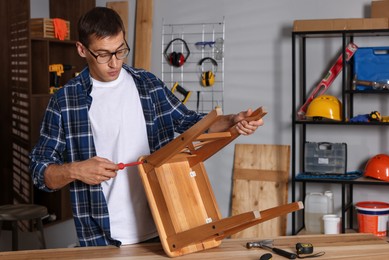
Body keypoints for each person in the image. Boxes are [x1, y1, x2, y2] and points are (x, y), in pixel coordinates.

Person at [29, 7, 264, 247]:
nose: (114, 62)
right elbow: (39, 170)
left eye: (120, 51)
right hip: (101, 238)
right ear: (81, 49)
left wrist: (234, 120)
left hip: (163, 229)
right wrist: (76, 170)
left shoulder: (148, 84)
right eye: (103, 54)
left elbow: (192, 124)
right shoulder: (65, 101)